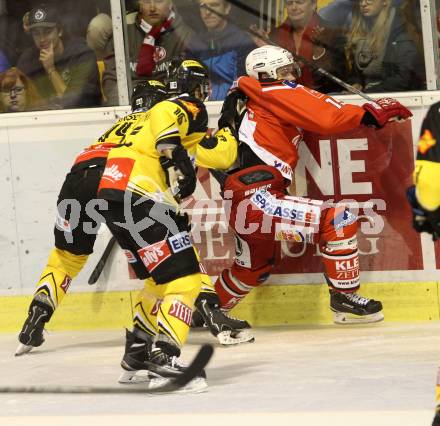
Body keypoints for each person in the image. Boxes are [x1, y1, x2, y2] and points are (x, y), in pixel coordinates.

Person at [193, 45, 412, 336]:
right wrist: (371, 114)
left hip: (240, 199)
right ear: (267, 74)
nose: (291, 76)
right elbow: (325, 115)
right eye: (284, 71)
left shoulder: (251, 98)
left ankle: (201, 312)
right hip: (258, 196)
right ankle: (344, 299)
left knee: (253, 268)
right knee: (338, 219)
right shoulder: (273, 91)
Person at [96, 58, 239, 387]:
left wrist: (230, 125)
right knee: (187, 282)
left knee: (158, 283)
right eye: (203, 85)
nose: (205, 92)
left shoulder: (175, 124)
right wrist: (171, 149)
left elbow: (221, 156)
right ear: (194, 86)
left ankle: (137, 352)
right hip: (145, 198)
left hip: (117, 198)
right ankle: (166, 359)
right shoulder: (177, 108)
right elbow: (165, 115)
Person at [15, 80, 170, 357]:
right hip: (115, 180)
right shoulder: (158, 121)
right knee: (160, 259)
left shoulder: (119, 123)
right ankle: (158, 330)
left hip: (77, 176)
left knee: (66, 257)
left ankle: (38, 312)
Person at [17, 3, 101, 109]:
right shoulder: (27, 59)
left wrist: (51, 69)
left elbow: (74, 104)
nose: (42, 39)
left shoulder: (82, 55)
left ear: (60, 31)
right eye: (36, 33)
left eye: (47, 32)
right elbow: (20, 102)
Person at [252, 0, 347, 94]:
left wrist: (320, 54)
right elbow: (268, 78)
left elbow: (340, 77)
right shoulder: (275, 35)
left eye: (299, 2)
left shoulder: (331, 31)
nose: (294, 7)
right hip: (285, 98)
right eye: (289, 3)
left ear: (313, 4)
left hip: (323, 98)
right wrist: (266, 50)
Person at [345, 0, 425, 92]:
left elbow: (404, 78)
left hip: (392, 98)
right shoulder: (361, 32)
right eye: (360, 0)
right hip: (368, 95)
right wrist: (356, 83)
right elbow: (355, 74)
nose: (363, 4)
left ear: (385, 2)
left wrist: (367, 93)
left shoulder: (399, 34)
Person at [186, 0, 255, 101]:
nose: (207, 12)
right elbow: (191, 85)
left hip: (234, 108)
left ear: (226, 8)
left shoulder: (243, 42)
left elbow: (246, 86)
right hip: (203, 109)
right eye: (203, 6)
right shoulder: (195, 45)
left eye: (214, 5)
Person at [126, 0, 193, 84]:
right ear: (140, 5)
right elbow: (113, 79)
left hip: (169, 95)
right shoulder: (124, 33)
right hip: (131, 95)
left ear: (170, 3)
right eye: (146, 1)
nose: (152, 8)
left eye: (158, 1)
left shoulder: (185, 35)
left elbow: (187, 79)